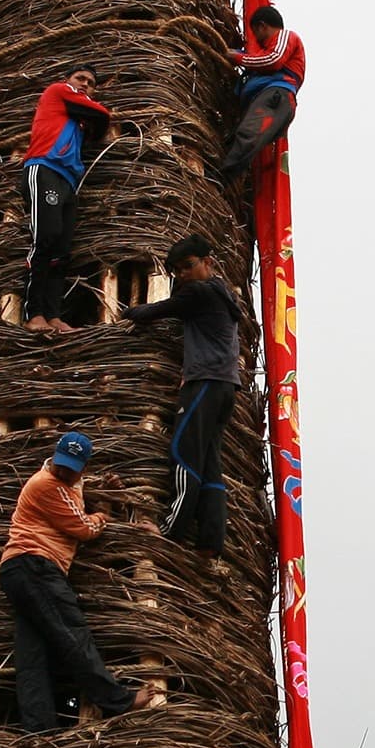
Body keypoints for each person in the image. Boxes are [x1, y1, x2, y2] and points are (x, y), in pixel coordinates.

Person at [0, 430, 155, 731]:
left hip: (19, 570)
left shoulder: (69, 484)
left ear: (83, 468)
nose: (64, 472)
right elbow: (84, 528)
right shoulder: (46, 484)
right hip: (35, 566)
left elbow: (79, 494)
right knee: (72, 634)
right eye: (61, 465)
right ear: (53, 459)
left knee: (33, 654)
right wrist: (103, 516)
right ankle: (116, 700)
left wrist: (107, 491)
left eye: (71, 469)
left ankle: (40, 729)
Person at [118, 234, 242, 550]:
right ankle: (211, 540)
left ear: (207, 262)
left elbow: (152, 312)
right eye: (177, 270)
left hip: (204, 382)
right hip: (225, 387)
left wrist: (126, 314)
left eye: (188, 266)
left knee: (184, 453)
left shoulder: (199, 292)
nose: (183, 275)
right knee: (209, 462)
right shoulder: (223, 293)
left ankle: (170, 528)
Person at [23, 68, 114, 335]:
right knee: (46, 237)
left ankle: (53, 316)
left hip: (69, 181)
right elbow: (102, 115)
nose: (84, 84)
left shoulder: (77, 119)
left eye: (91, 83)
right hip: (44, 168)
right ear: (68, 81)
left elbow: (97, 125)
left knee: (61, 251)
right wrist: (97, 117)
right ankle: (34, 313)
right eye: (80, 79)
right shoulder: (59, 91)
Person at [216, 8, 304, 189]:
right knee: (238, 138)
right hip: (267, 98)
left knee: (248, 134)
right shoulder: (261, 51)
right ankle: (222, 174)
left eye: (256, 32)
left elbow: (273, 60)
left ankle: (221, 179)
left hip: (276, 96)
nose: (256, 38)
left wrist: (238, 58)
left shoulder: (286, 36)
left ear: (262, 26)